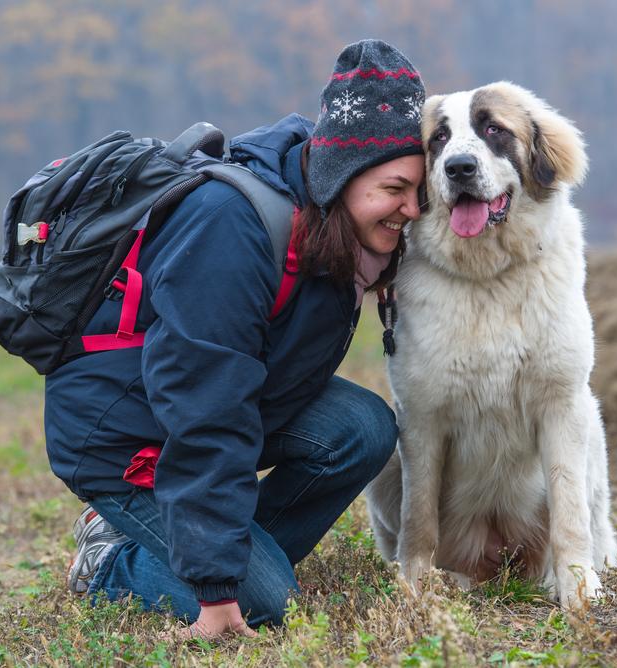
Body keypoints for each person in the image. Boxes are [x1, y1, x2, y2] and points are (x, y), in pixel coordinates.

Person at [45, 39, 426, 639]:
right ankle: (112, 561)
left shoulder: (340, 227)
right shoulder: (234, 222)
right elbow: (204, 403)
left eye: (419, 193)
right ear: (343, 172)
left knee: (362, 428)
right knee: (263, 603)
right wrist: (217, 586)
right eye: (396, 189)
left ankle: (216, 549)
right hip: (129, 433)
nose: (411, 209)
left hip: (207, 405)